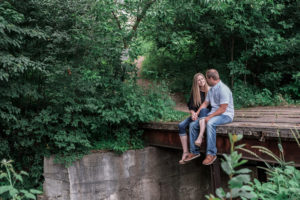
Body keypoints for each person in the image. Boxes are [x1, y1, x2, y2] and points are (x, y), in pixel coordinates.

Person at [197, 69, 234, 165]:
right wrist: (197, 113)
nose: (206, 80)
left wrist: (210, 117)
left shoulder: (223, 89)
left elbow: (223, 109)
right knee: (195, 123)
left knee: (210, 123)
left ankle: (211, 154)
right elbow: (205, 103)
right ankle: (194, 151)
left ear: (211, 78)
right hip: (215, 114)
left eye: (206, 78)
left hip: (226, 115)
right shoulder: (211, 89)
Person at [178, 73, 210, 164]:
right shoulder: (195, 93)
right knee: (181, 125)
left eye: (202, 78)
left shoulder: (210, 91)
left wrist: (196, 114)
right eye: (198, 80)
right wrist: (193, 114)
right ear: (196, 82)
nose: (201, 81)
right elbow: (191, 107)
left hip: (206, 114)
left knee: (193, 124)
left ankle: (194, 151)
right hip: (197, 114)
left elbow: (205, 106)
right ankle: (185, 152)